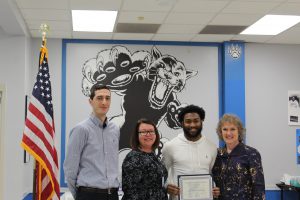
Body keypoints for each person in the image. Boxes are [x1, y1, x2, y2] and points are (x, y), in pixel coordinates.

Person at [64, 85, 120, 200]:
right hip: (89, 194)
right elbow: (70, 168)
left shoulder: (115, 129)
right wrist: (80, 195)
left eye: (107, 98)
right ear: (91, 101)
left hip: (113, 194)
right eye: (99, 98)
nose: (104, 102)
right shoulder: (81, 129)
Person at [161, 105, 220, 200]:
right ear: (181, 123)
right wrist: (167, 186)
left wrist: (214, 189)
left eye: (196, 121)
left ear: (202, 121)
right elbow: (162, 174)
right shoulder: (170, 146)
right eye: (188, 121)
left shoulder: (212, 147)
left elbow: (210, 172)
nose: (192, 125)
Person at [212, 114, 265, 200]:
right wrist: (214, 191)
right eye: (225, 129)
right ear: (220, 132)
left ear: (239, 131)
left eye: (233, 129)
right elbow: (214, 182)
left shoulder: (251, 153)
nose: (229, 133)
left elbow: (258, 186)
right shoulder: (217, 155)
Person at [121, 118, 168, 200]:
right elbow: (131, 193)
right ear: (137, 135)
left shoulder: (153, 155)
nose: (148, 134)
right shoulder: (133, 158)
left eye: (151, 131)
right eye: (143, 132)